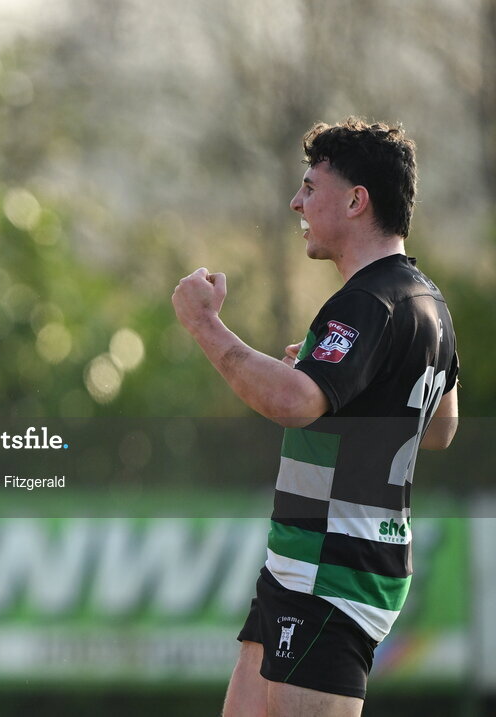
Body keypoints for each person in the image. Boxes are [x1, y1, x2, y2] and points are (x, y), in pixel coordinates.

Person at [172, 118, 459, 717]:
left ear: (357, 201)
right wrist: (345, 387)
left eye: (310, 187)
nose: (295, 202)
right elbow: (438, 428)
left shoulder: (366, 299)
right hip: (304, 566)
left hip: (332, 572)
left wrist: (205, 324)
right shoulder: (427, 301)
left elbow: (294, 402)